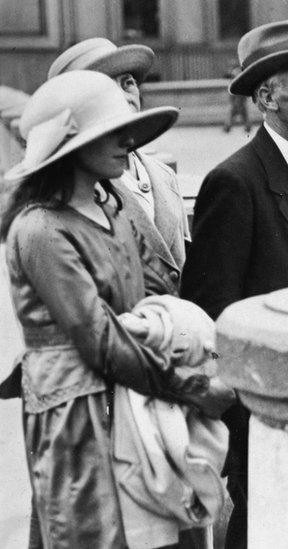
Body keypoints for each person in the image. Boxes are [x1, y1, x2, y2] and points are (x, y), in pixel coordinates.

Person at [0, 70, 205, 548]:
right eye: (111, 131)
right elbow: (98, 339)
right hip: (78, 413)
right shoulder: (41, 230)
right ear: (71, 144)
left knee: (166, 530)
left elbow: (157, 291)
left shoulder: (112, 210)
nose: (128, 139)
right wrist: (190, 387)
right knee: (94, 534)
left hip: (135, 396)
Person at [180, 18, 288, 549]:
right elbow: (211, 318)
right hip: (265, 422)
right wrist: (242, 434)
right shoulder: (234, 183)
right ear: (266, 97)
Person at [47, 37, 190, 289]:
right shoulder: (74, 188)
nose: (124, 96)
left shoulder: (163, 174)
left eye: (128, 83)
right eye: (107, 90)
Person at [223, 64, 252, 133]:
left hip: (238, 95)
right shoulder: (238, 72)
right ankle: (247, 127)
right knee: (239, 111)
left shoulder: (237, 72)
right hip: (237, 95)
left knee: (237, 111)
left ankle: (228, 127)